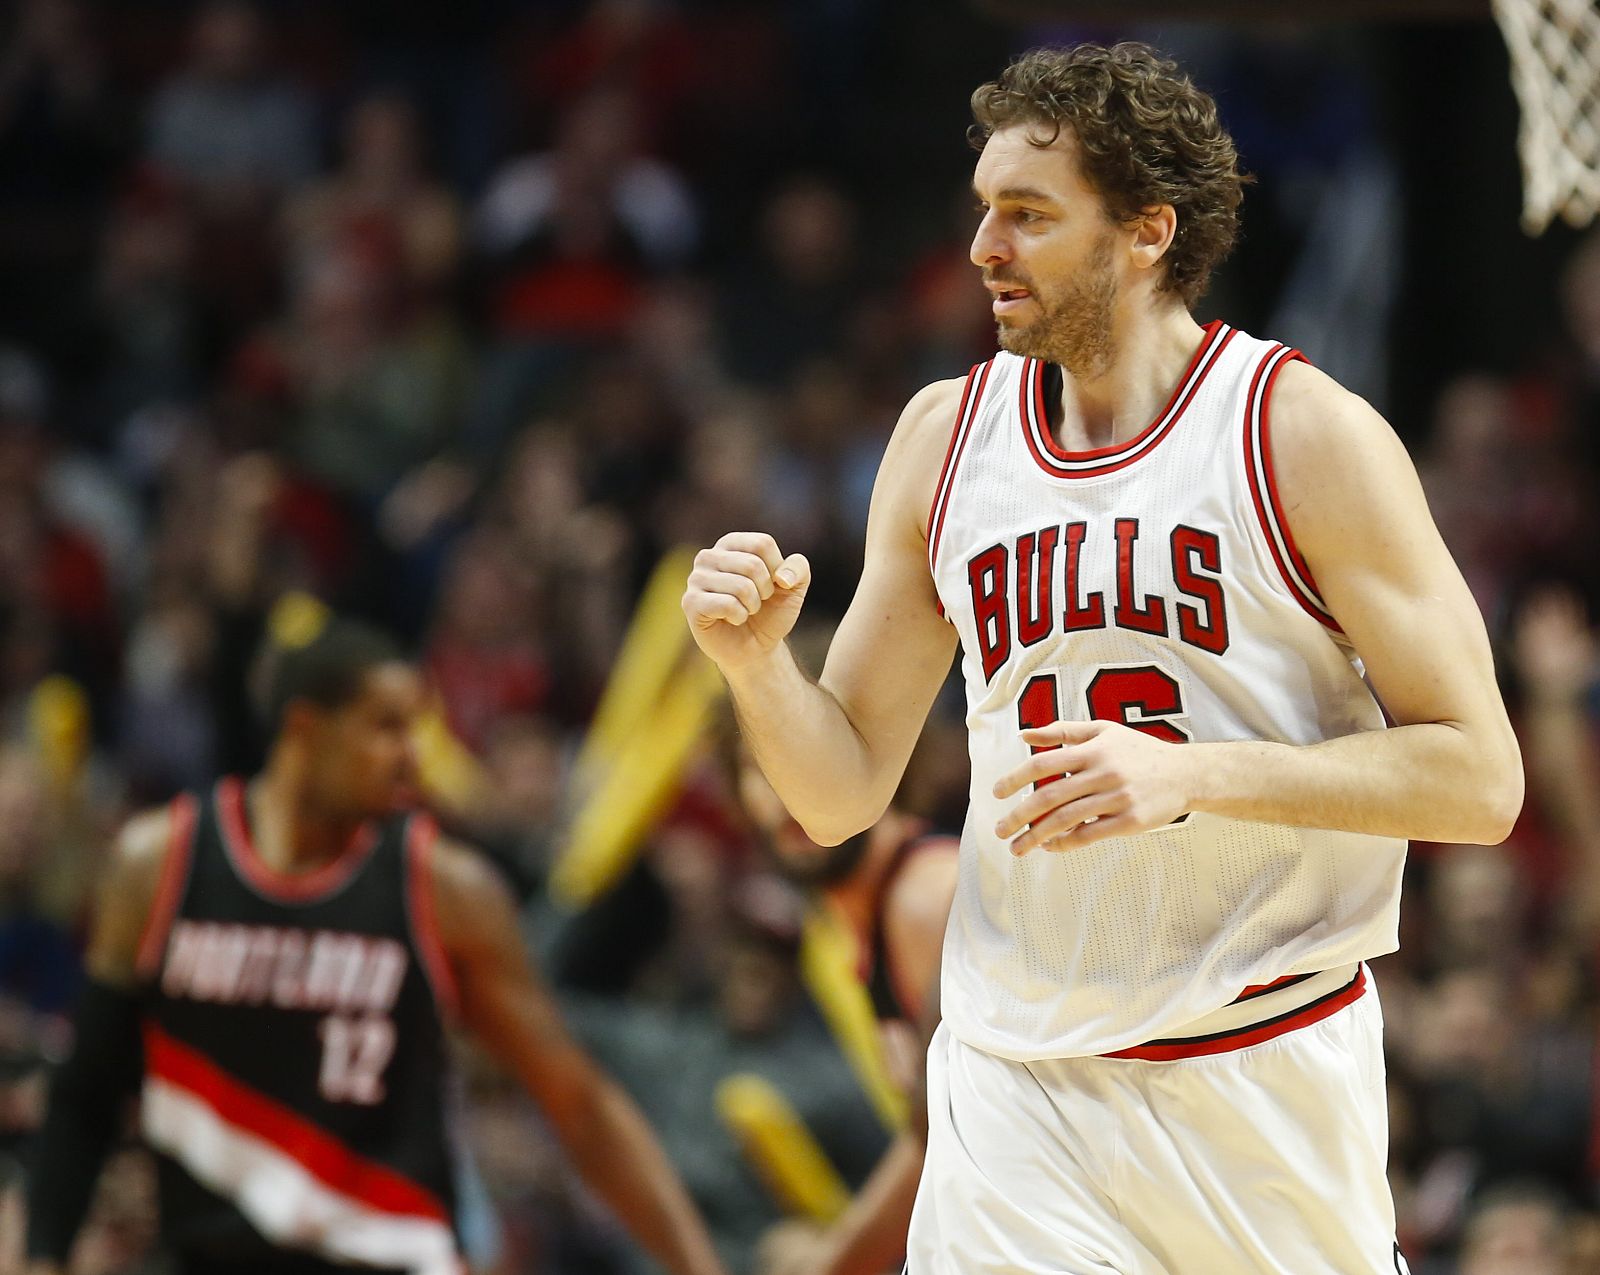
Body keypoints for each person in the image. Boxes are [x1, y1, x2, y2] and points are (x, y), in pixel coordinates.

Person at [681, 41, 1522, 1275]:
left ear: (1145, 232)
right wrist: (756, 667)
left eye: (1028, 216)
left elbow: (1480, 780)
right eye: (983, 213)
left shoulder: (1303, 436)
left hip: (1258, 1075)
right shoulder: (943, 438)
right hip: (1013, 1081)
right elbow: (837, 792)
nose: (983, 250)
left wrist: (1196, 776)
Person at [24, 619, 729, 1275]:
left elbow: (580, 1105)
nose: (412, 758)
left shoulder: (444, 888)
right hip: (210, 1252)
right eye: (386, 728)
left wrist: (698, 1265)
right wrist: (42, 1256)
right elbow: (85, 1094)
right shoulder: (162, 864)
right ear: (305, 728)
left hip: (389, 1251)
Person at [728, 710, 957, 1275]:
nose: (789, 791)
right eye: (762, 766)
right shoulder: (848, 926)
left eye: (810, 758)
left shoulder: (928, 899)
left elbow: (948, 1133)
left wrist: (835, 1262)